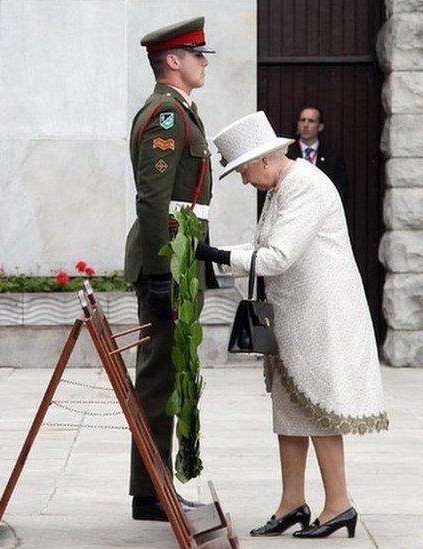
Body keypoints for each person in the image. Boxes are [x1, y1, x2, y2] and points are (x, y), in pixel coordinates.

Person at [197, 111, 388, 539]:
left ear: (264, 159)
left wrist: (218, 257)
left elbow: (278, 256)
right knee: (288, 408)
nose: (244, 180)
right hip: (293, 315)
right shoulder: (282, 186)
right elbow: (264, 247)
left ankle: (339, 504)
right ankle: (292, 503)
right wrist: (217, 251)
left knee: (316, 406)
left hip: (320, 315)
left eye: (243, 171)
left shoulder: (305, 186)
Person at [124, 16, 216, 521]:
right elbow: (154, 199)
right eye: (197, 54)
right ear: (173, 61)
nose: (204, 62)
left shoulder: (180, 111)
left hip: (181, 258)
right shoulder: (165, 114)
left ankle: (156, 485)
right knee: (160, 376)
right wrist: (162, 274)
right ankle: (151, 490)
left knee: (168, 371)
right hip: (168, 261)